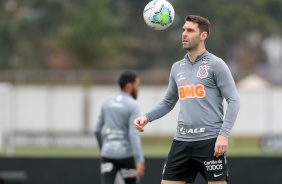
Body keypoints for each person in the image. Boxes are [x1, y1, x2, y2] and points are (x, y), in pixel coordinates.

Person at [134, 15, 240, 184]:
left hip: (209, 142)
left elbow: (234, 101)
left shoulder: (216, 64)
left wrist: (223, 135)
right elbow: (168, 102)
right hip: (181, 142)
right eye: (183, 30)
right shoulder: (177, 67)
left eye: (190, 30)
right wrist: (147, 117)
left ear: (203, 35)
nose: (184, 34)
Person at [94, 71, 145, 184]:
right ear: (129, 86)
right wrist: (139, 160)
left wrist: (102, 149)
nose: (138, 89)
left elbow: (96, 129)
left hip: (108, 154)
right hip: (126, 156)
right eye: (137, 85)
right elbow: (133, 134)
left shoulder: (107, 102)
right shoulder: (133, 105)